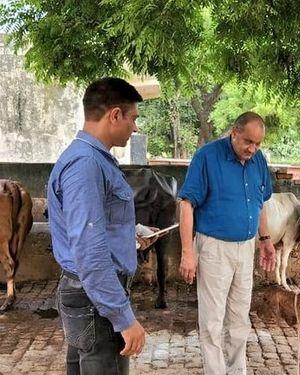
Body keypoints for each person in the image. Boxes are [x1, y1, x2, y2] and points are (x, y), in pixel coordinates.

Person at [47, 77, 159, 375]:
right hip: (96, 299)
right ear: (115, 115)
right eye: (133, 118)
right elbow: (89, 250)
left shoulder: (93, 159)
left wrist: (129, 235)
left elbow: (94, 228)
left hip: (91, 294)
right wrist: (124, 318)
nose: (135, 127)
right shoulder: (85, 165)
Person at [178, 111, 276, 375]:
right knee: (212, 320)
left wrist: (265, 239)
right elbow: (186, 204)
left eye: (257, 144)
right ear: (234, 132)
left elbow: (260, 203)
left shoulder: (258, 161)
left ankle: (237, 371)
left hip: (246, 247)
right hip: (213, 248)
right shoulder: (207, 157)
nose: (252, 149)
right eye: (247, 141)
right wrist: (188, 252)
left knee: (240, 316)